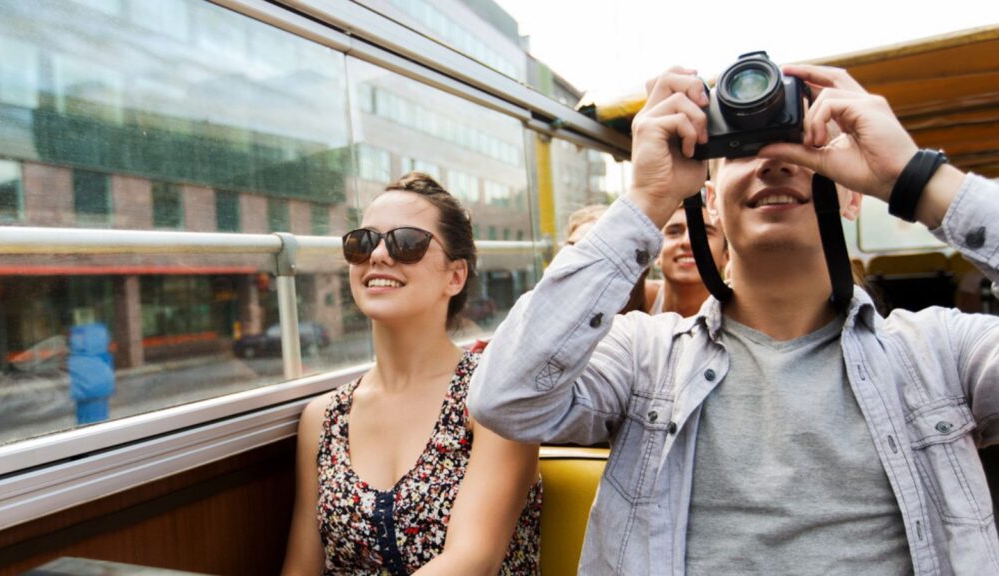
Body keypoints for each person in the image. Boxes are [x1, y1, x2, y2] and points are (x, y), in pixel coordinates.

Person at [469, 63, 999, 575]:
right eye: (742, 149)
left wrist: (915, 179)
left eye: (807, 144)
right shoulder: (645, 354)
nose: (775, 161)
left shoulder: (942, 352)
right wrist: (647, 199)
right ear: (711, 204)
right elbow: (506, 398)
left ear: (854, 197)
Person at [282, 173, 542, 575]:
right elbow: (302, 569)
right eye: (362, 241)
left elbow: (472, 562)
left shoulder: (494, 398)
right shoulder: (323, 419)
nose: (379, 256)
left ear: (455, 276)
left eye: (406, 243)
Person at [566, 203, 728, 317]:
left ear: (726, 256)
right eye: (674, 232)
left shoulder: (738, 314)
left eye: (704, 233)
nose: (687, 242)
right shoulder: (629, 301)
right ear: (655, 253)